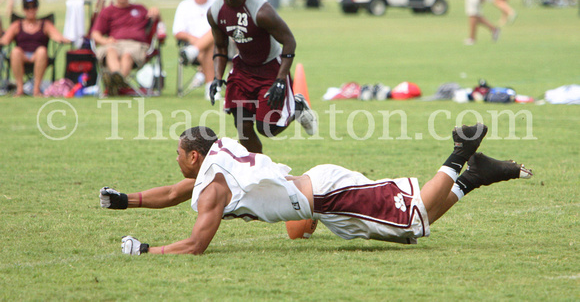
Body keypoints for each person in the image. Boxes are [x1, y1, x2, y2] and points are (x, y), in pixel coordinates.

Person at [99, 123, 533, 255]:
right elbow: (176, 192)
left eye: (179, 154)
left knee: (414, 213)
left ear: (195, 157)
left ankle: (461, 154)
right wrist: (126, 202)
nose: (176, 160)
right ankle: (472, 177)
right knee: (410, 228)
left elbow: (195, 246)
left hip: (326, 194)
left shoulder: (213, 188)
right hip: (320, 200)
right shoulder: (217, 155)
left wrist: (146, 251)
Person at [207, 0, 317, 153]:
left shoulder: (261, 10)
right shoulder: (215, 12)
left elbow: (289, 41)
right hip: (243, 69)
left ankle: (297, 108)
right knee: (242, 126)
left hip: (270, 67)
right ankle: (257, 171)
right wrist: (217, 78)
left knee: (267, 128)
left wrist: (281, 78)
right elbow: (220, 46)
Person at [91, 0, 160, 96]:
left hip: (136, 45)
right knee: (111, 51)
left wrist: (155, 13)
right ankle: (118, 80)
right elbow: (95, 33)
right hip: (114, 43)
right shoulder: (107, 11)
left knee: (127, 55)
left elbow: (156, 23)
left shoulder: (140, 9)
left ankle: (114, 84)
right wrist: (105, 41)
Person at [0, 0, 70, 96]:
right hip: (21, 56)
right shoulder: (17, 24)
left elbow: (58, 37)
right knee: (15, 51)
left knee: (42, 51)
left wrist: (70, 39)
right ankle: (20, 90)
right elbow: (5, 40)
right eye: (27, 7)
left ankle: (36, 90)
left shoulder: (45, 24)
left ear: (37, 8)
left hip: (39, 56)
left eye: (33, 7)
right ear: (24, 9)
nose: (30, 10)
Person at [173, 0, 215, 97]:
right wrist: (195, 40)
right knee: (208, 48)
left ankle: (194, 51)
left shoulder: (216, 4)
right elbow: (178, 32)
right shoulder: (184, 5)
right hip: (193, 43)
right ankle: (211, 89)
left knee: (215, 31)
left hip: (218, 45)